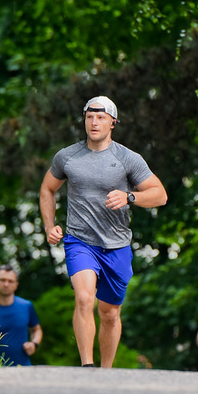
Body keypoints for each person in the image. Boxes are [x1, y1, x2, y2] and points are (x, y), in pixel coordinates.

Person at [39, 96, 167, 368]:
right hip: (79, 241)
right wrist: (50, 226)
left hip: (116, 244)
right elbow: (47, 189)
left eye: (100, 117)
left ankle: (106, 371)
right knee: (84, 298)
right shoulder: (68, 156)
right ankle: (87, 365)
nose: (94, 122)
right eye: (89, 116)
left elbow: (160, 195)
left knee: (109, 313)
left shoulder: (127, 158)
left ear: (113, 122)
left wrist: (129, 197)